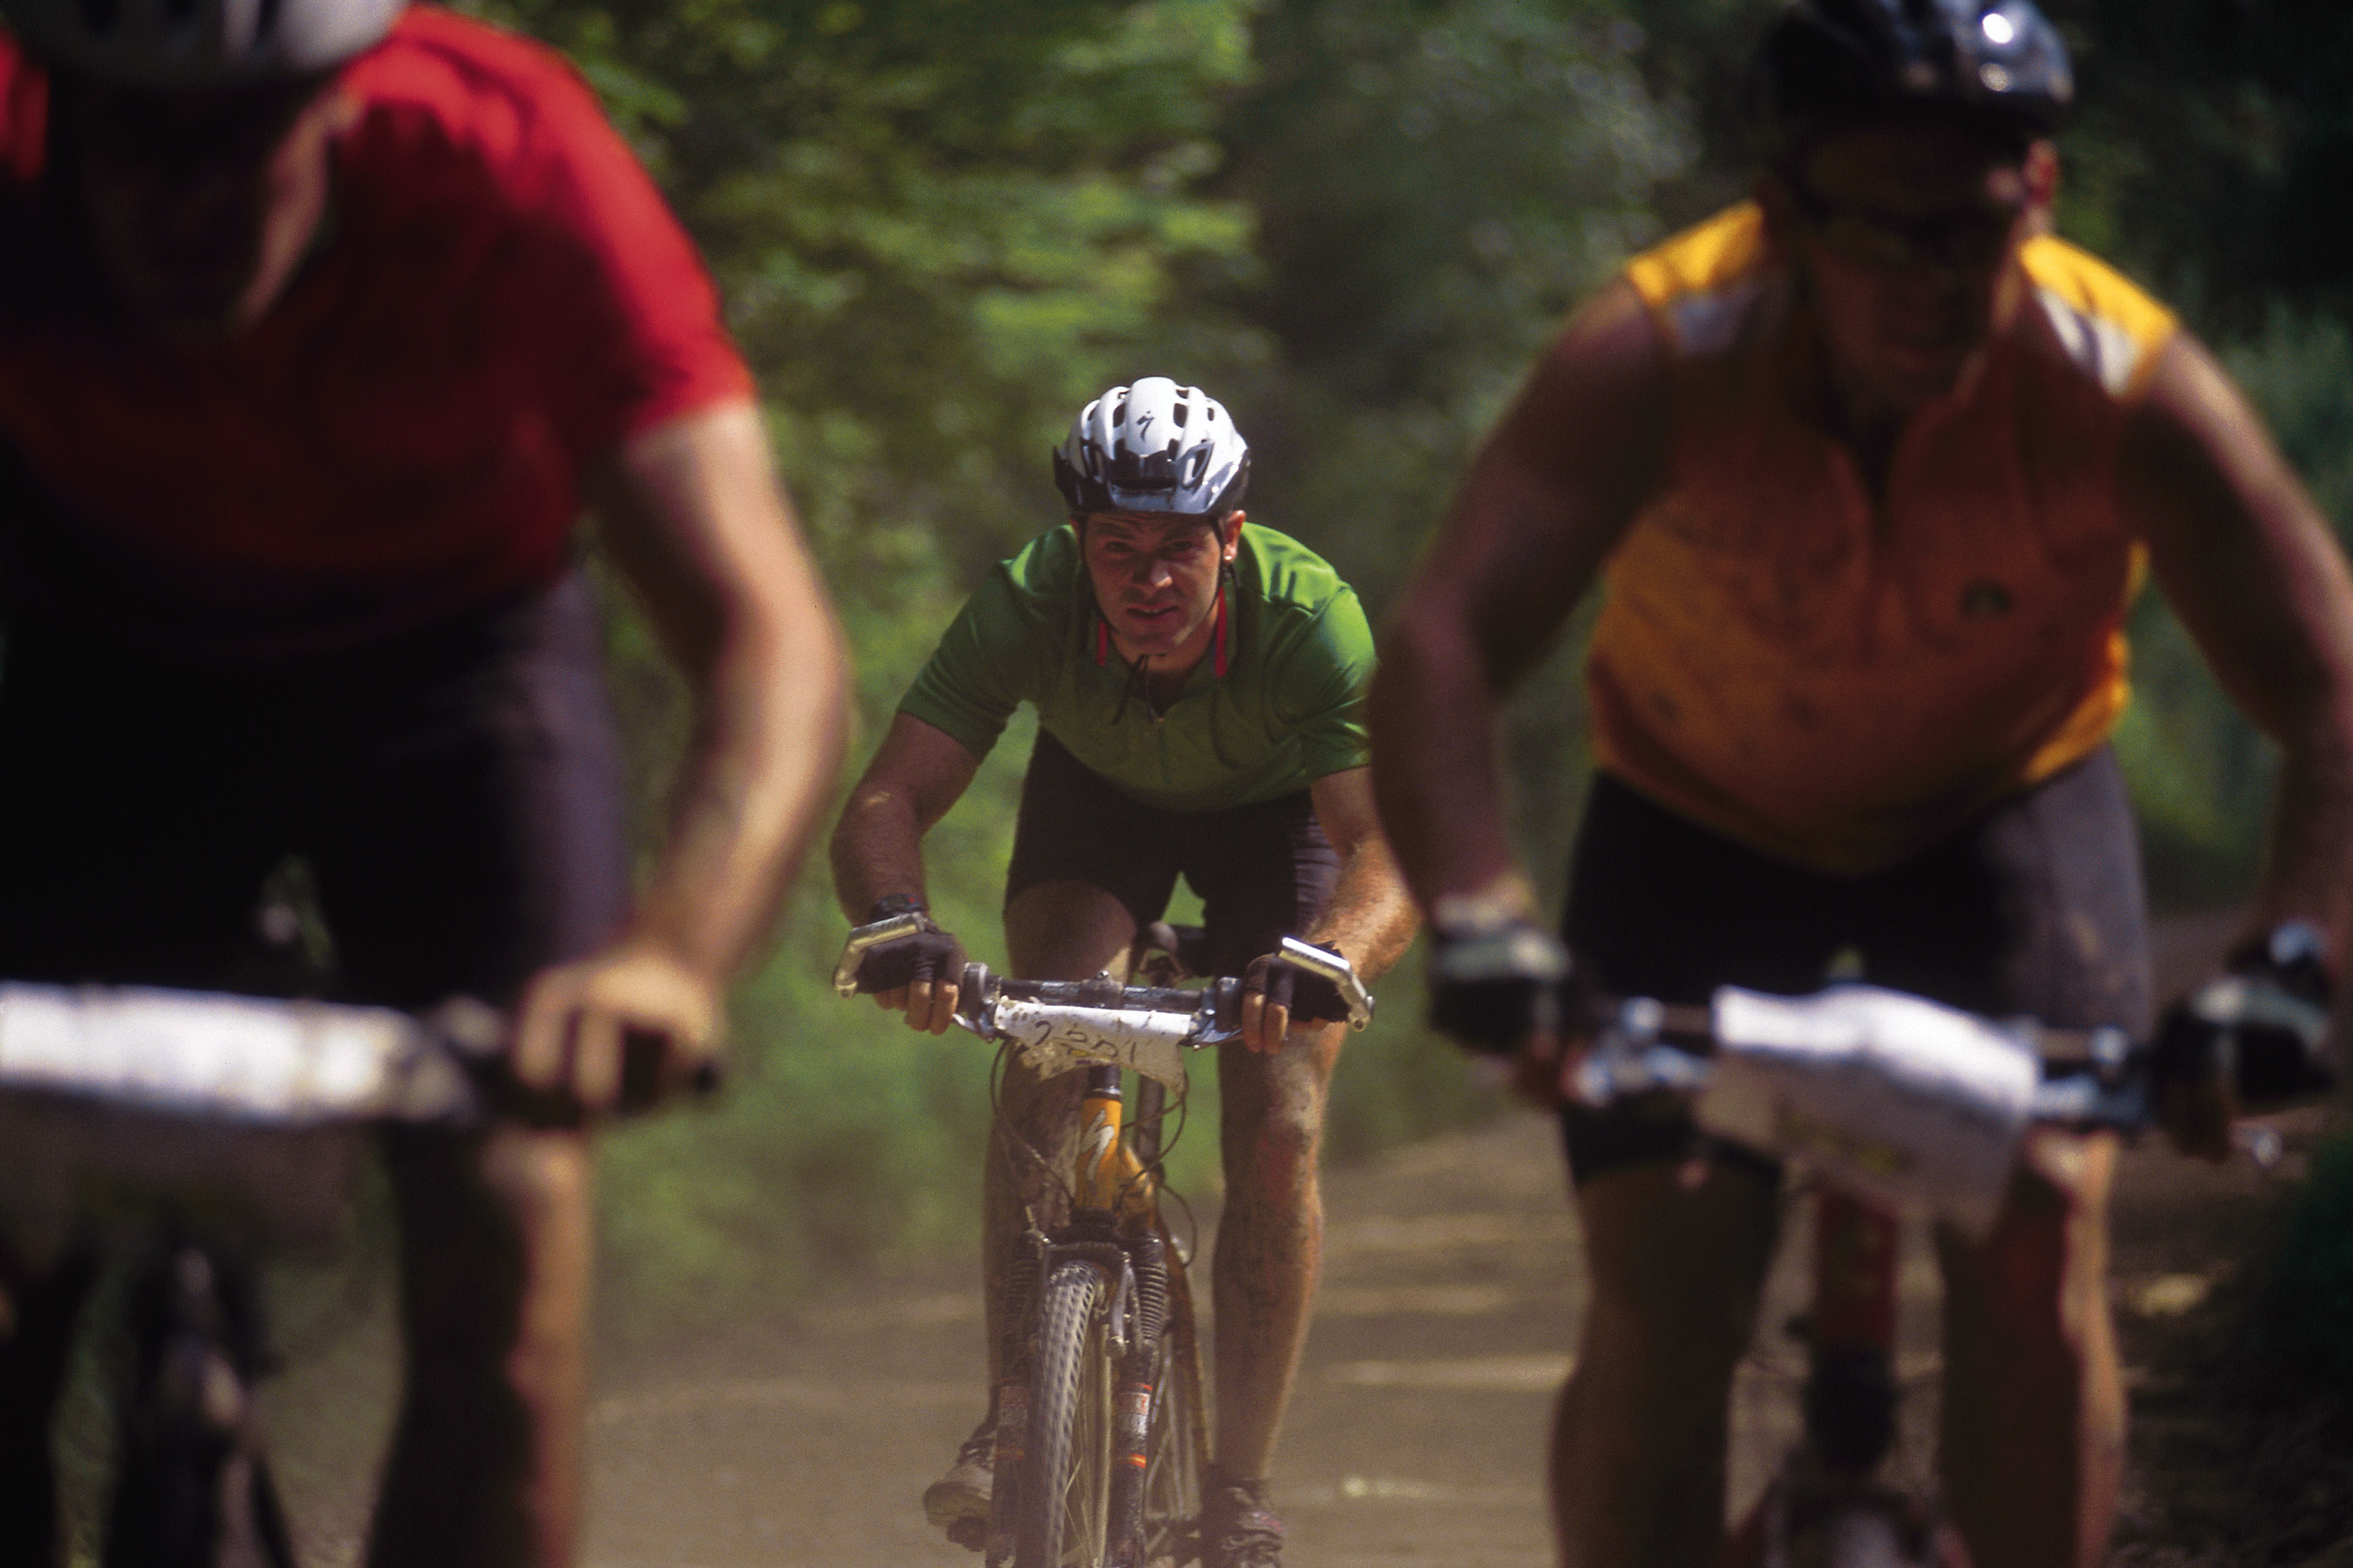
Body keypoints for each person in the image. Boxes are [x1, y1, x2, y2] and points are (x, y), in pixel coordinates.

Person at [1368, 3, 2353, 1566]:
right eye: (1875, 232)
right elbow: (1440, 642)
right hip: (1696, 821)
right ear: (1782, 211)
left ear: (2033, 198)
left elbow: (2328, 676)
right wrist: (1486, 921)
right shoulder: (1657, 346)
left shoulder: (2117, 375)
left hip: (2001, 817)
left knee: (2036, 1230)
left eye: (1966, 232)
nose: (1925, 280)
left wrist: (2291, 960)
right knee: (1662, 1284)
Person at [0, 0, 849, 1562]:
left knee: (511, 1241)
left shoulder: (512, 164)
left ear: (339, 101)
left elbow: (765, 636)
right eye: (134, 143)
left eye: (240, 140)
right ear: (50, 100)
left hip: (445, 670)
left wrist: (667, 958)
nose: (187, 206)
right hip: (87, 652)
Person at [830, 376, 1416, 1568]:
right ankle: (1014, 1416)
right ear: (1079, 544)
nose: (1148, 579)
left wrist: (1326, 958)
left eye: (1178, 549)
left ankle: (1238, 1490)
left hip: (1281, 830)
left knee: (1280, 1118)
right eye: (1117, 548)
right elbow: (888, 795)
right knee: (1047, 1045)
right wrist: (898, 921)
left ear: (1230, 538)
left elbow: (1385, 846)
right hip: (1101, 810)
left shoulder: (1311, 618)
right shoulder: (1031, 599)